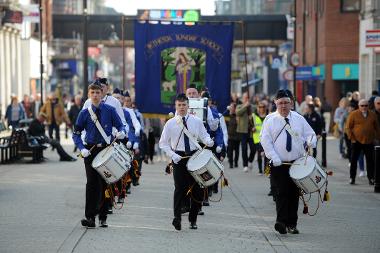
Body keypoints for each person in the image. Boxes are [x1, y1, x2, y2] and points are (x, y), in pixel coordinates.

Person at [261, 89, 316, 235]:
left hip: (296, 163)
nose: (283, 106)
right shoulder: (270, 120)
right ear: (275, 103)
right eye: (280, 103)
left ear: (291, 103)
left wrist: (311, 142)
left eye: (286, 103)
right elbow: (265, 141)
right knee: (281, 193)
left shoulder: (299, 119)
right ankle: (281, 222)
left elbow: (310, 134)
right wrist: (274, 157)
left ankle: (292, 223)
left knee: (293, 194)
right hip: (279, 164)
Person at [72, 81, 126, 228]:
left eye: (98, 93)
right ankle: (90, 217)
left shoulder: (109, 110)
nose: (95, 95)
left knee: (104, 183)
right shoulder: (84, 113)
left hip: (106, 150)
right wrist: (81, 147)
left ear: (102, 94)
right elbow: (76, 134)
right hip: (90, 151)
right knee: (91, 184)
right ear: (89, 95)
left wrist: (121, 132)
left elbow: (121, 125)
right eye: (92, 93)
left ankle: (103, 216)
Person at [159, 93, 214, 230]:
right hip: (179, 157)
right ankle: (177, 218)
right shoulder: (170, 123)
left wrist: (208, 140)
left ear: (188, 106)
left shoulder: (196, 121)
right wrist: (172, 154)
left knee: (198, 190)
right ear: (175, 106)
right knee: (179, 188)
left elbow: (204, 135)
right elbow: (163, 143)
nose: (182, 107)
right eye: (179, 105)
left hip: (195, 157)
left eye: (184, 105)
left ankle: (193, 219)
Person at [345, 99, 380, 185]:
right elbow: (348, 128)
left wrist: (376, 138)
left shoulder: (372, 114)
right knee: (353, 160)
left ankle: (371, 178)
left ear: (368, 106)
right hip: (356, 141)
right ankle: (352, 178)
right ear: (358, 106)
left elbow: (377, 127)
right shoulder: (353, 114)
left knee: (370, 161)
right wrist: (352, 138)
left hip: (369, 141)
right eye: (362, 105)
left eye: (366, 105)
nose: (364, 107)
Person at [236, 92, 255, 172]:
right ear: (243, 99)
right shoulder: (239, 106)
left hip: (251, 131)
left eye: (248, 98)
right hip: (242, 131)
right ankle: (245, 165)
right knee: (244, 148)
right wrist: (245, 106)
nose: (247, 99)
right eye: (245, 98)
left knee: (253, 148)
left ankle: (250, 160)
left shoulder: (253, 107)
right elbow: (238, 113)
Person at [251, 100, 268, 174]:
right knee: (259, 154)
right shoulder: (254, 116)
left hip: (267, 138)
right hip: (257, 138)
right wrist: (252, 129)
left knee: (267, 155)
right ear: (258, 108)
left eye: (263, 107)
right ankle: (260, 170)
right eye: (260, 107)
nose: (261, 108)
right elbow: (250, 126)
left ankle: (266, 170)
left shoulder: (268, 116)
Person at [226, 102, 240, 169]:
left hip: (236, 135)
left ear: (235, 108)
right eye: (230, 107)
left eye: (232, 107)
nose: (231, 108)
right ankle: (231, 163)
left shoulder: (237, 115)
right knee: (230, 151)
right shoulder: (227, 115)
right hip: (230, 136)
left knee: (236, 150)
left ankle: (236, 162)